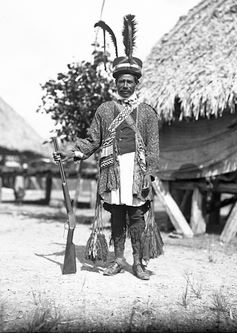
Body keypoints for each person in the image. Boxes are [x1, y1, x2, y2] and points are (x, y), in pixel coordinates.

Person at [53, 15, 163, 280]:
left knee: (137, 216)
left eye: (130, 82)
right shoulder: (104, 110)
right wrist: (71, 153)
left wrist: (149, 173)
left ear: (136, 84)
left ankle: (138, 262)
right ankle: (118, 260)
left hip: (136, 172)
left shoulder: (147, 113)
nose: (125, 85)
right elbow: (92, 140)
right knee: (116, 217)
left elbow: (153, 146)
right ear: (115, 83)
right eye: (121, 81)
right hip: (112, 171)